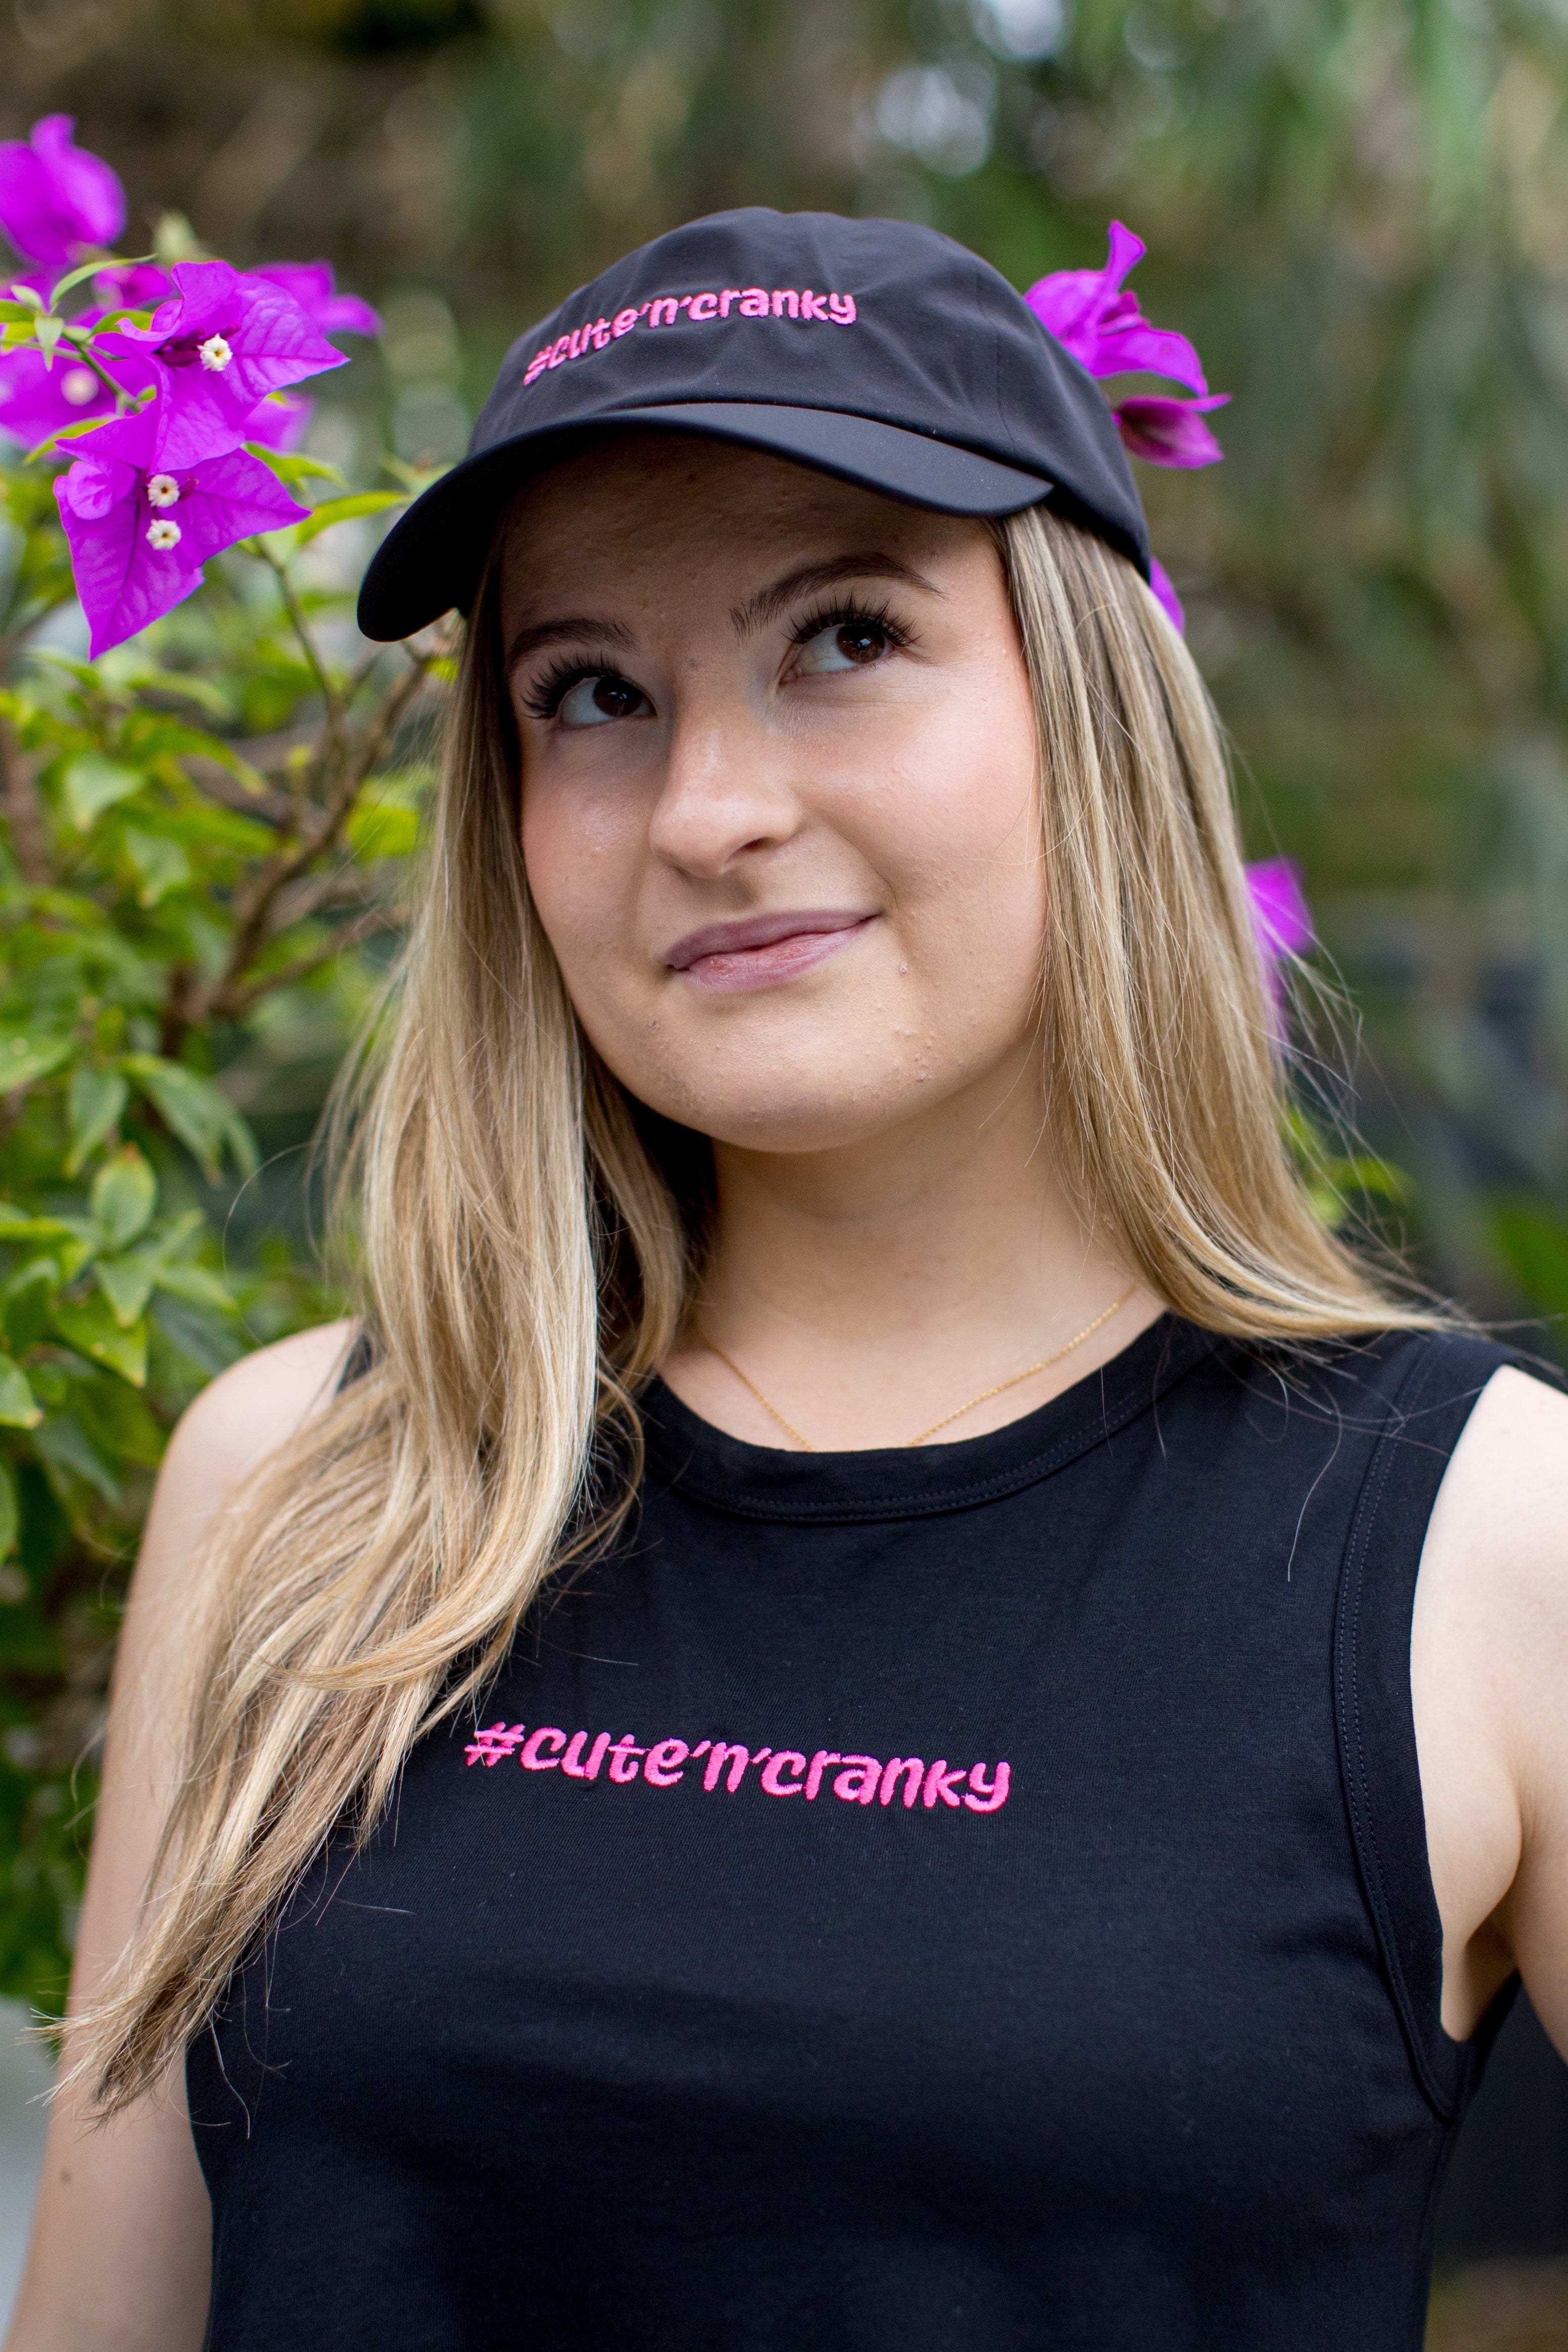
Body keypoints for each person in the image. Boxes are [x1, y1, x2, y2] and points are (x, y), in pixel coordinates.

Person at [8, 209, 1566, 2352]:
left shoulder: (1484, 1543)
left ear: (1086, 712)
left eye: (839, 636)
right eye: (590, 695)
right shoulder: (306, 1484)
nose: (706, 809)